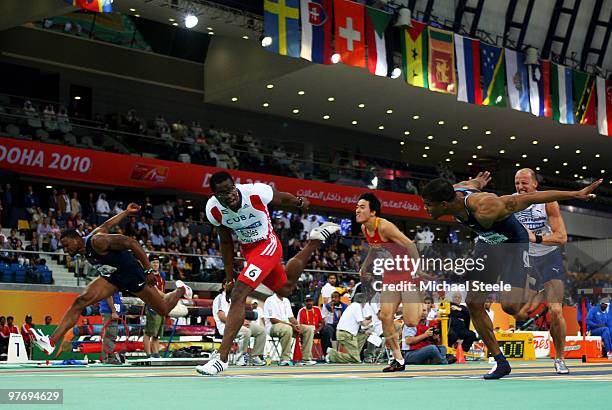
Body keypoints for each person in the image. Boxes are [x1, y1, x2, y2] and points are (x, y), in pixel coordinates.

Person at [421, 174, 602, 379]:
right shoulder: (456, 188)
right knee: (473, 302)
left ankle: (540, 291)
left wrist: (574, 193)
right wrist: (480, 181)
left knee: (512, 308)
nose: (425, 209)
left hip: (513, 244)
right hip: (488, 243)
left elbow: (530, 199)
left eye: (428, 205)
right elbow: (473, 184)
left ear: (444, 204)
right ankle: (500, 362)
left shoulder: (485, 206)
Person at [197, 172, 338, 375]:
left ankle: (221, 359)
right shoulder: (214, 210)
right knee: (286, 288)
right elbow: (226, 243)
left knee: (239, 294)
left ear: (235, 186)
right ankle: (314, 241)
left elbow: (282, 198)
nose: (229, 196)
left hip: (268, 244)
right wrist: (229, 278)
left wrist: (299, 202)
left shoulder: (256, 192)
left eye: (230, 190)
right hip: (250, 251)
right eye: (222, 194)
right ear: (215, 196)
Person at [29, 203, 191, 355]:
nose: (65, 249)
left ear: (76, 238)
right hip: (113, 277)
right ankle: (51, 342)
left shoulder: (97, 241)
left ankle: (181, 289)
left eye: (66, 245)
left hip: (132, 275)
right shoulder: (87, 245)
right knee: (80, 301)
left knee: (163, 309)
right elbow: (106, 224)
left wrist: (148, 269)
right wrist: (126, 212)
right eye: (63, 247)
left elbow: (131, 242)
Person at [356, 192, 424, 372]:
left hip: (407, 273)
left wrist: (418, 269)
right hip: (390, 276)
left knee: (411, 322)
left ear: (373, 212)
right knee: (385, 316)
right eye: (357, 207)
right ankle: (398, 359)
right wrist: (365, 265)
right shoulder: (365, 229)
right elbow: (373, 247)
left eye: (362, 207)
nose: (357, 210)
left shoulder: (385, 227)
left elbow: (410, 244)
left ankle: (418, 302)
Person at [513, 168, 570, 374]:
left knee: (555, 310)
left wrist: (535, 238)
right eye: (517, 183)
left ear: (535, 184)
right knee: (518, 312)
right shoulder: (509, 202)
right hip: (524, 259)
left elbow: (562, 237)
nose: (520, 187)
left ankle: (560, 358)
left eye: (525, 183)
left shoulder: (547, 202)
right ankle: (538, 292)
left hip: (548, 257)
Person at [212, 281, 266, 366]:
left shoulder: (234, 298)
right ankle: (240, 358)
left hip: (237, 324)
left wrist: (243, 321)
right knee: (246, 332)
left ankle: (255, 356)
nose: (233, 286)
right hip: (226, 327)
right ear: (224, 286)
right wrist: (239, 323)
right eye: (230, 284)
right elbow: (222, 318)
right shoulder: (219, 298)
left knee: (261, 331)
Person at [263, 293, 316, 366]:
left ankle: (306, 359)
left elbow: (291, 317)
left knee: (308, 329)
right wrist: (291, 325)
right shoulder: (270, 300)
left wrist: (297, 324)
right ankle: (285, 359)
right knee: (287, 329)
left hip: (289, 326)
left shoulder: (286, 300)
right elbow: (273, 320)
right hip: (273, 327)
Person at [326, 293, 371, 363]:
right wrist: (372, 319)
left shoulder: (353, 306)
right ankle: (332, 354)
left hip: (344, 333)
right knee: (356, 360)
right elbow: (363, 323)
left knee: (363, 335)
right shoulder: (357, 306)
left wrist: (365, 331)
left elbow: (358, 324)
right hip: (346, 334)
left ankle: (355, 355)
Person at [144, 257, 166, 359]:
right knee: (149, 332)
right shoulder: (148, 276)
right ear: (150, 263)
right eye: (154, 262)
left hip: (160, 305)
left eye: (157, 262)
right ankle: (148, 354)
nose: (156, 264)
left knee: (157, 333)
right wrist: (168, 297)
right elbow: (155, 291)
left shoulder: (162, 275)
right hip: (152, 306)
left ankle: (156, 353)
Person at [100, 291, 123, 364]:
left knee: (108, 334)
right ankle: (110, 358)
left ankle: (106, 357)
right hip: (109, 312)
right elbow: (108, 294)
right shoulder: (112, 283)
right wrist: (113, 311)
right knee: (111, 335)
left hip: (110, 311)